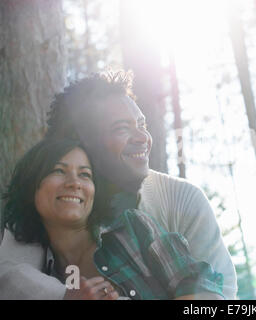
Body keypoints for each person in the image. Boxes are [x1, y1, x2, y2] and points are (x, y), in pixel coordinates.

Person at [0, 71, 237, 299]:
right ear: (81, 144)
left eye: (142, 125)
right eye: (122, 128)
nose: (143, 137)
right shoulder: (44, 206)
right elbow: (12, 279)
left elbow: (217, 293)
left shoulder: (175, 203)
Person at [1, 138, 224, 300]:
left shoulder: (131, 228)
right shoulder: (37, 275)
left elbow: (197, 282)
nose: (74, 183)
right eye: (59, 171)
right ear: (31, 185)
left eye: (85, 174)